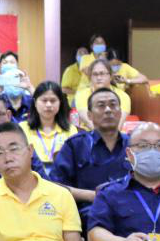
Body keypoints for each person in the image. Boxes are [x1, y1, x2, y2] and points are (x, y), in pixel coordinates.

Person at [49, 88, 131, 225]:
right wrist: (92, 195)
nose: (108, 110)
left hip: (129, 213)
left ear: (120, 112)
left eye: (113, 105)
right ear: (89, 115)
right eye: (101, 105)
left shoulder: (134, 145)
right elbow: (54, 186)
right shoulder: (75, 145)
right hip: (87, 215)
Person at [20, 82, 77, 178]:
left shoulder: (70, 129)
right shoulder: (22, 128)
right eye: (44, 100)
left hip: (62, 181)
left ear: (60, 103)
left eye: (53, 100)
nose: (48, 104)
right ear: (35, 102)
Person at [74, 59, 131, 130]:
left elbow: (119, 125)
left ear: (110, 76)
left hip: (115, 134)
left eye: (102, 74)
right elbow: (89, 122)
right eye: (95, 74)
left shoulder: (123, 96)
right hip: (90, 134)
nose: (99, 78)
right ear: (90, 77)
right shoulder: (81, 95)